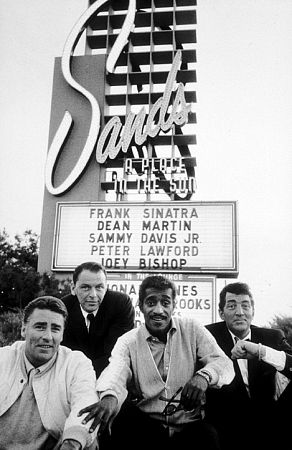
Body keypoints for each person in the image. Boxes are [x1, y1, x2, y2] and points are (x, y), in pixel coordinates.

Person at [79, 275, 234, 450]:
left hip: (190, 427)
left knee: (208, 436)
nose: (158, 310)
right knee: (121, 421)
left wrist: (204, 376)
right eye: (151, 302)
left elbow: (223, 363)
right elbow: (116, 372)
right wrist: (109, 397)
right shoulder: (128, 341)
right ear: (141, 306)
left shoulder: (192, 328)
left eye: (165, 303)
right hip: (147, 428)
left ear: (174, 305)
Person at [0, 296, 98, 449]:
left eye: (55, 329)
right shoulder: (3, 358)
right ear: (23, 329)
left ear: (62, 334)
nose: (47, 337)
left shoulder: (76, 363)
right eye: (40, 327)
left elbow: (85, 404)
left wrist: (72, 442)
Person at [205, 282, 292, 450]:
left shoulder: (272, 337)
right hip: (225, 428)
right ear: (221, 313)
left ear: (253, 311)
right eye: (231, 306)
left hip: (269, 424)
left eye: (245, 306)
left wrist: (261, 351)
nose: (240, 312)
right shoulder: (208, 336)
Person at [61, 261, 135, 377]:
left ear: (106, 288)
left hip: (110, 373)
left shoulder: (120, 304)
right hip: (72, 375)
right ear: (73, 288)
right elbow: (64, 353)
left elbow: (117, 353)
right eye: (85, 288)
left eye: (99, 287)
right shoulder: (63, 309)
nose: (93, 295)